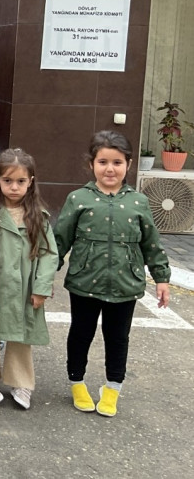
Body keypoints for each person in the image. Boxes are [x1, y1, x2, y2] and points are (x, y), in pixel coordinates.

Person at [54, 131, 170, 417]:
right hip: (84, 282)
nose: (110, 169)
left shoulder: (139, 202)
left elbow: (151, 242)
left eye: (117, 162)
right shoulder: (78, 199)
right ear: (91, 164)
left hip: (125, 284)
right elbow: (59, 241)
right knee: (81, 333)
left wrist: (162, 278)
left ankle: (113, 387)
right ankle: (77, 383)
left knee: (118, 337)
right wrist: (43, 278)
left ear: (128, 165)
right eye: (103, 162)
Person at [0, 149, 58, 409]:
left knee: (21, 335)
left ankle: (22, 383)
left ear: (30, 182)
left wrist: (41, 287)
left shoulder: (38, 216)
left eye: (20, 181)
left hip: (25, 286)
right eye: (8, 180)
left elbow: (48, 254)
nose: (14, 187)